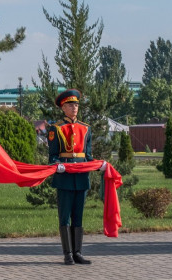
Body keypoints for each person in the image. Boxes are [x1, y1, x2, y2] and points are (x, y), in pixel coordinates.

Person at [47, 89, 106, 265]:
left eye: (76, 105)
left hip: (81, 178)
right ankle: (68, 254)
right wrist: (57, 165)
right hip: (64, 178)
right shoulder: (56, 128)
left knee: (78, 216)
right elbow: (52, 156)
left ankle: (78, 252)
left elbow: (87, 156)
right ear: (63, 108)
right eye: (71, 105)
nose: (74, 108)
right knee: (65, 217)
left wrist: (99, 165)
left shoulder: (85, 128)